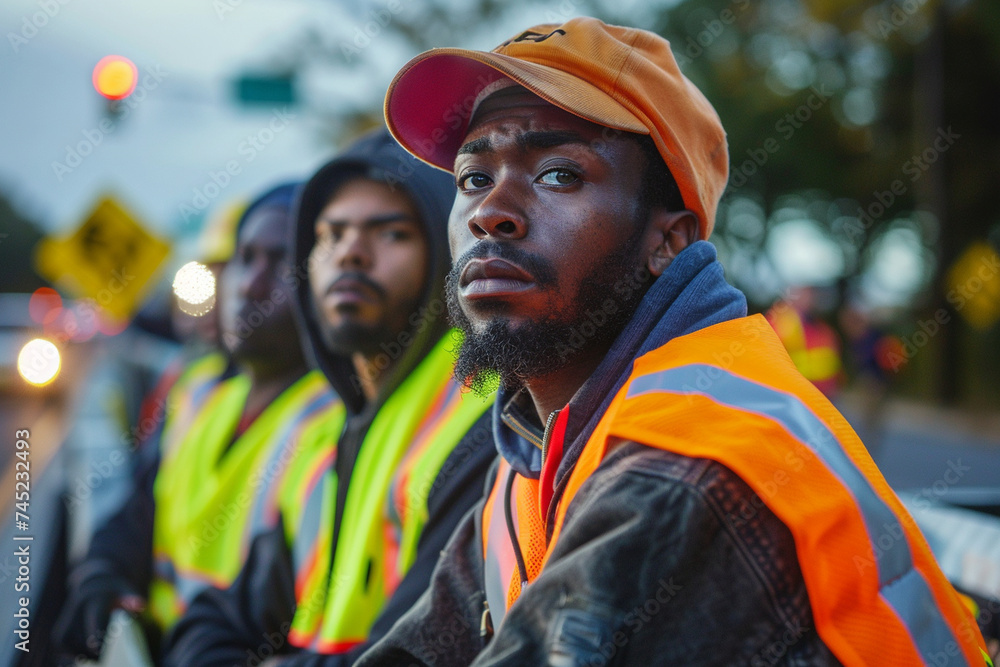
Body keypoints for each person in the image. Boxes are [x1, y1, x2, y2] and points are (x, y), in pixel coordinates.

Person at [358, 17, 992, 666]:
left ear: (670, 239)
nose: (491, 209)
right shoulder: (531, 455)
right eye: (472, 178)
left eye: (558, 174)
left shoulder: (690, 468)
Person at [163, 129, 497, 666]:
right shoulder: (330, 427)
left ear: (446, 254)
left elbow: (410, 656)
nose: (352, 255)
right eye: (330, 235)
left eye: (391, 234)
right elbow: (223, 611)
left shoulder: (482, 417)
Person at [54, 184, 339, 662]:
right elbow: (142, 509)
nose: (249, 283)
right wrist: (102, 571)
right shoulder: (200, 394)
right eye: (244, 259)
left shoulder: (336, 428)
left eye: (282, 265)